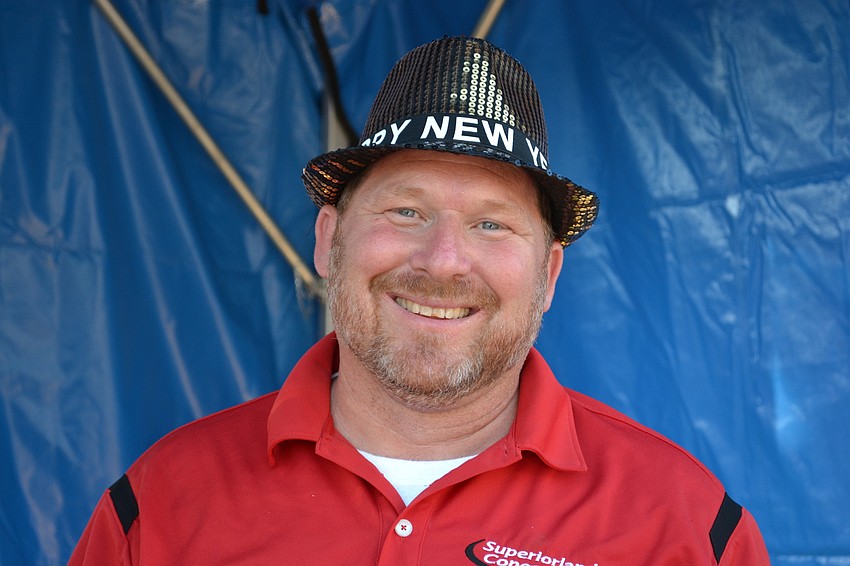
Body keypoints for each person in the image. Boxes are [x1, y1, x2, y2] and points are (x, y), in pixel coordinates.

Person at [70, 36, 770, 564]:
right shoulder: (162, 502)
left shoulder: (683, 524)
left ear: (550, 275)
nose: (442, 260)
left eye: (492, 223)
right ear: (329, 240)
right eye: (405, 211)